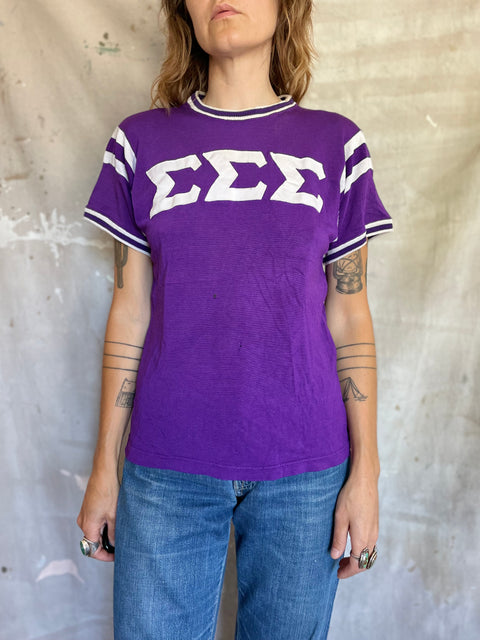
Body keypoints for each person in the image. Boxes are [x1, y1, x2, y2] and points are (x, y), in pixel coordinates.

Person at [77, 0, 393, 638]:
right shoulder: (139, 143)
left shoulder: (336, 145)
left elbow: (350, 317)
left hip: (305, 471)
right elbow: (129, 313)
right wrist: (104, 469)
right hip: (165, 466)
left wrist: (367, 473)